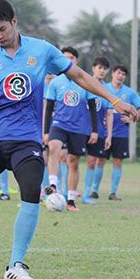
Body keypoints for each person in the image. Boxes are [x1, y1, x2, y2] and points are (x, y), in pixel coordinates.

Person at [0, 0, 137, 279]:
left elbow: (79, 75)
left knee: (30, 191)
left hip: (26, 139)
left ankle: (16, 265)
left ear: (14, 22)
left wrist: (114, 100)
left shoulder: (42, 50)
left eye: (2, 29)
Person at [44, 47, 99, 211]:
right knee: (54, 148)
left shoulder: (84, 80)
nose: (68, 60)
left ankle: (71, 200)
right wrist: (46, 131)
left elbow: (92, 107)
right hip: (59, 124)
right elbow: (49, 108)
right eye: (65, 57)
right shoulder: (55, 82)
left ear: (76, 60)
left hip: (78, 128)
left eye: (71, 58)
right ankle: (53, 185)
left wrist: (94, 130)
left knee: (73, 162)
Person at [103, 65, 140, 200]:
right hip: (104, 132)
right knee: (98, 160)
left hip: (121, 133)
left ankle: (113, 193)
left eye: (123, 74)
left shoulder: (129, 92)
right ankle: (93, 191)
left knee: (118, 161)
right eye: (118, 73)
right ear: (113, 74)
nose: (121, 76)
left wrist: (132, 119)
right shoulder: (104, 88)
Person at [83, 57, 114, 203]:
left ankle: (88, 192)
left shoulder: (107, 90)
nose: (102, 71)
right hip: (80, 129)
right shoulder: (84, 83)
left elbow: (109, 113)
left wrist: (109, 135)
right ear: (93, 68)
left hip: (99, 131)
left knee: (93, 161)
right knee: (69, 158)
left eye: (104, 69)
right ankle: (66, 191)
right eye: (99, 68)